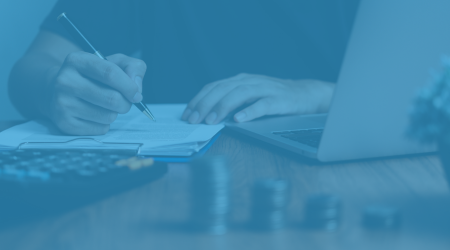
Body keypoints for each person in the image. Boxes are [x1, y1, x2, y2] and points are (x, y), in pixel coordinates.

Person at [8, 0, 359, 135]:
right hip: (166, 174)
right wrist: (55, 87)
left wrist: (322, 95)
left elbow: (412, 93)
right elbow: (29, 71)